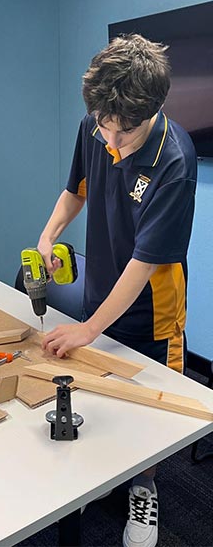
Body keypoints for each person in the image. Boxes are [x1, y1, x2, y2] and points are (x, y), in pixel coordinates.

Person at [37, 35, 197, 547]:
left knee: (147, 409)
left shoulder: (174, 161)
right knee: (99, 395)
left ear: (150, 111)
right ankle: (98, 477)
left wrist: (87, 327)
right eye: (102, 126)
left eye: (121, 134)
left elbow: (146, 263)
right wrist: (48, 234)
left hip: (153, 309)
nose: (110, 140)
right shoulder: (98, 122)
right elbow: (74, 189)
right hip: (101, 295)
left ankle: (144, 490)